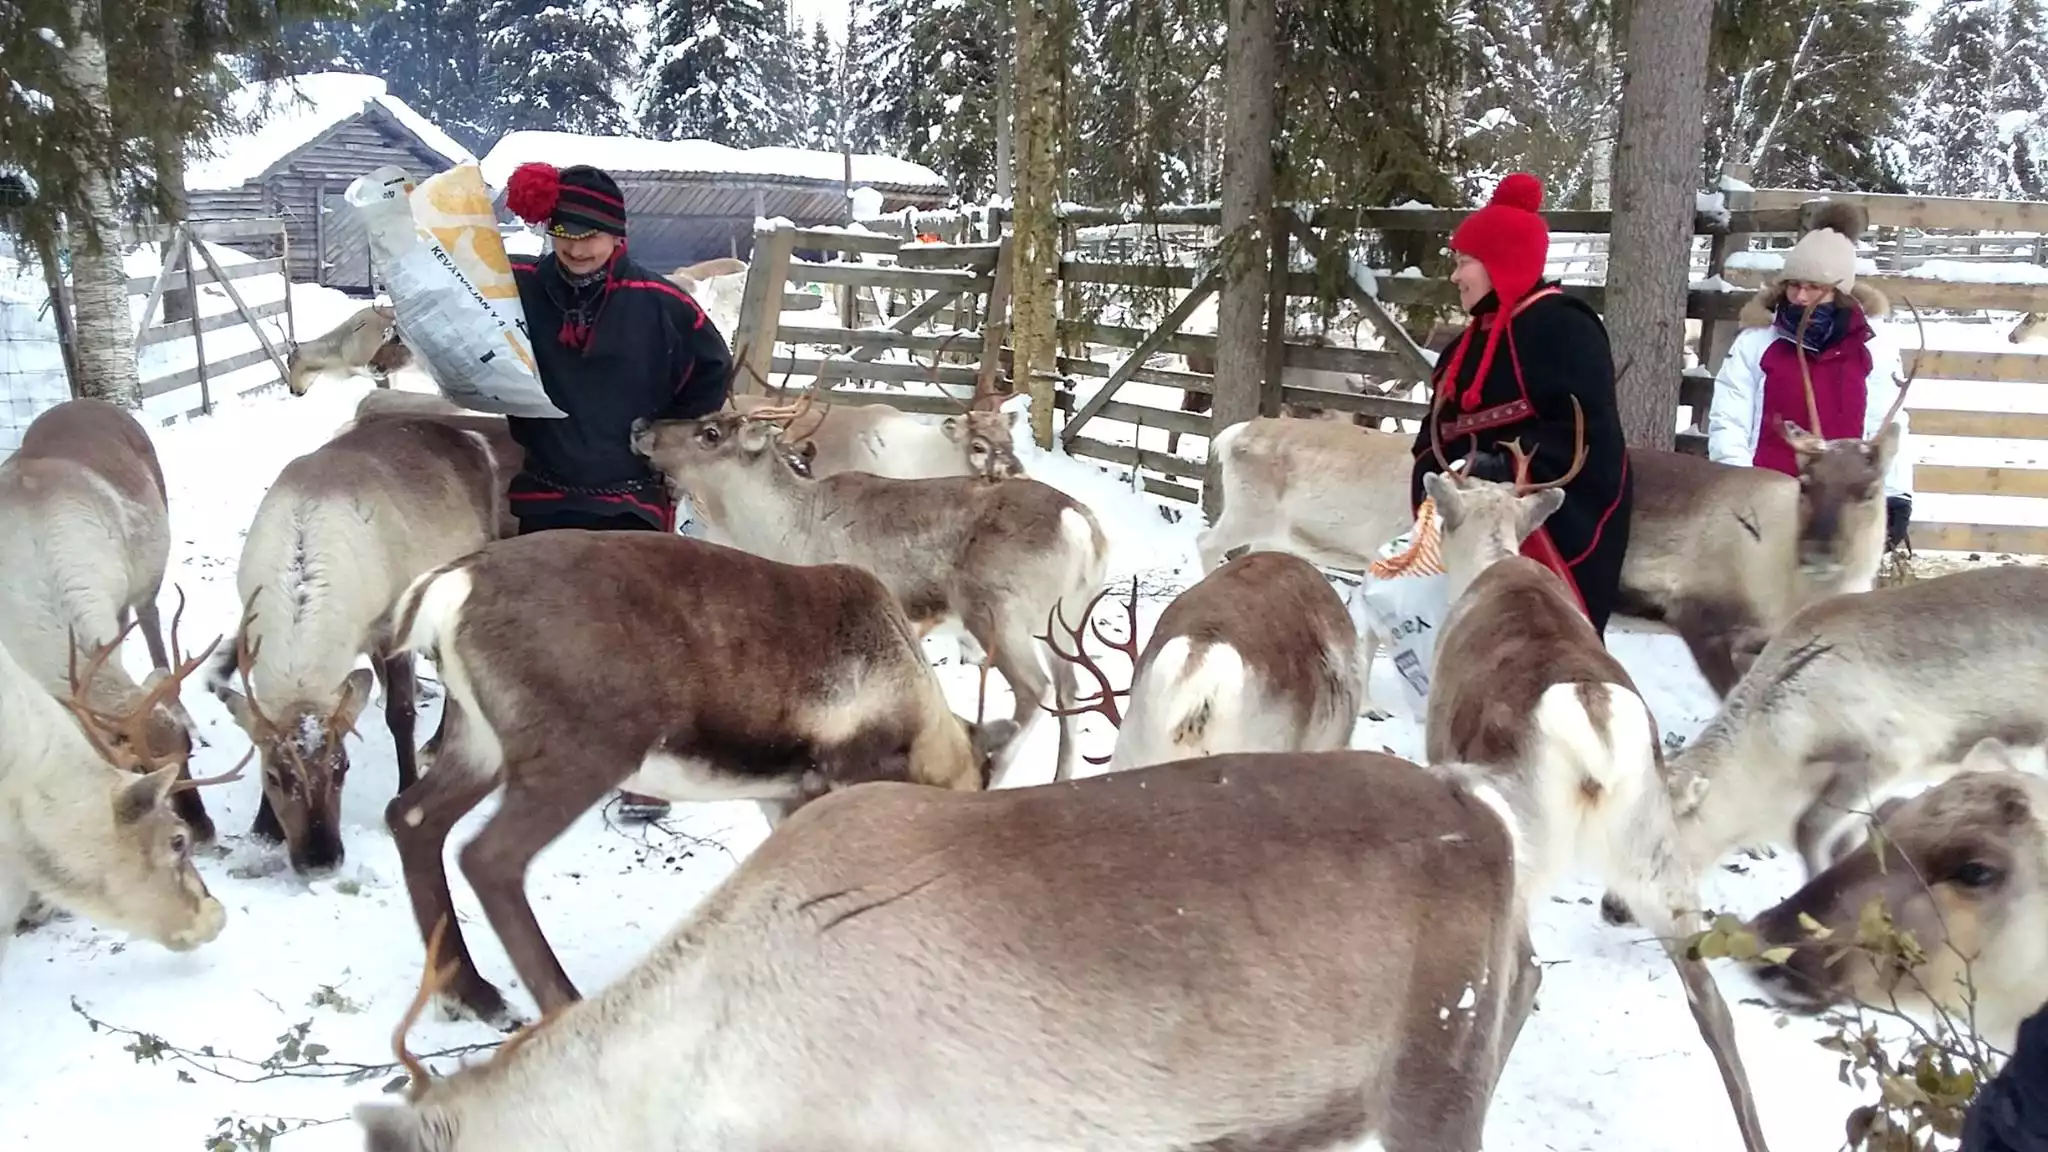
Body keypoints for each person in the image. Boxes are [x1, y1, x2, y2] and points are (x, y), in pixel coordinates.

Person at [503, 159, 734, 822]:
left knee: (639, 632)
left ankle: (645, 767)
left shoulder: (662, 303)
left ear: (617, 234)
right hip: (547, 484)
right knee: (546, 624)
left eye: (591, 235)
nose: (577, 247)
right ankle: (553, 753)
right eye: (564, 233)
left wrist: (667, 432)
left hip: (631, 490)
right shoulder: (515, 286)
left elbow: (712, 366)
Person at [1409, 172, 1634, 637]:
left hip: (1538, 522)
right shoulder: (1467, 343)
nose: (1454, 275)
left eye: (1465, 261)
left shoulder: (1564, 329)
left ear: (1501, 262)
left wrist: (1500, 467)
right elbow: (1434, 432)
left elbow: (1587, 439)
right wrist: (1436, 478)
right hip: (1464, 518)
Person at [1705, 202, 1914, 552]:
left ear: (1839, 292)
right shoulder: (1758, 342)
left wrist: (1895, 494)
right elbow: (1729, 419)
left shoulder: (1873, 348)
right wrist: (1738, 487)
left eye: (1814, 287)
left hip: (1840, 509)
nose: (1800, 297)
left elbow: (1887, 424)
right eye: (1793, 285)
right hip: (1767, 502)